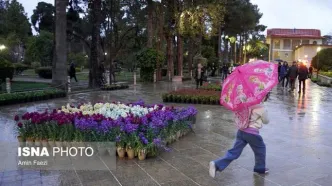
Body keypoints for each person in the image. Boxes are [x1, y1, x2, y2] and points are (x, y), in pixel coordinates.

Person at [209, 94, 270, 178]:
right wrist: (265, 112)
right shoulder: (261, 108)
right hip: (252, 133)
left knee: (234, 152)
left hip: (241, 131)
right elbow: (266, 121)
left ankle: (216, 164)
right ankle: (260, 168)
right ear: (262, 97)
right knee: (260, 149)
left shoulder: (245, 103)